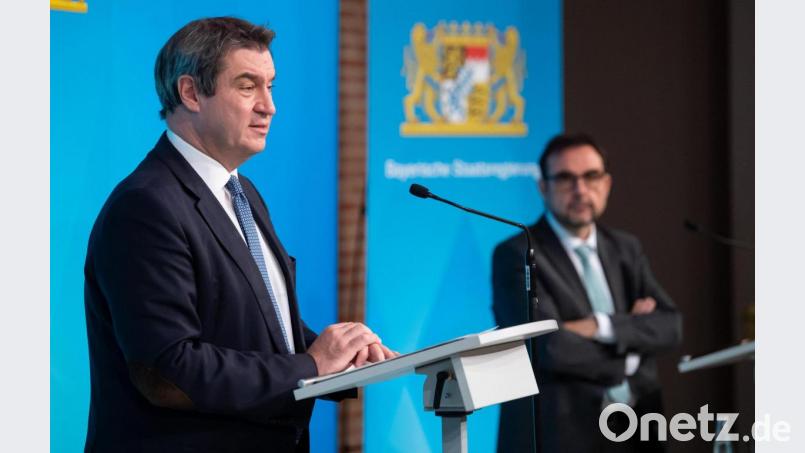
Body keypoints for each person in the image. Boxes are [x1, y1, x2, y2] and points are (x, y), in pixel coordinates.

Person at [83, 17, 394, 452]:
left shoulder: (242, 191)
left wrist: (344, 356)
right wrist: (310, 365)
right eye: (248, 87)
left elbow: (255, 329)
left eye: (271, 86)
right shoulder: (145, 206)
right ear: (191, 93)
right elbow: (169, 370)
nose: (269, 106)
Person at [492, 133, 682, 452]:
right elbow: (548, 346)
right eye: (566, 178)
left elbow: (669, 325)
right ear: (543, 187)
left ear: (606, 184)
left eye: (591, 176)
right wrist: (629, 353)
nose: (580, 190)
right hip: (561, 434)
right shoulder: (517, 253)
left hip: (637, 430)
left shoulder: (625, 248)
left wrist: (600, 326)